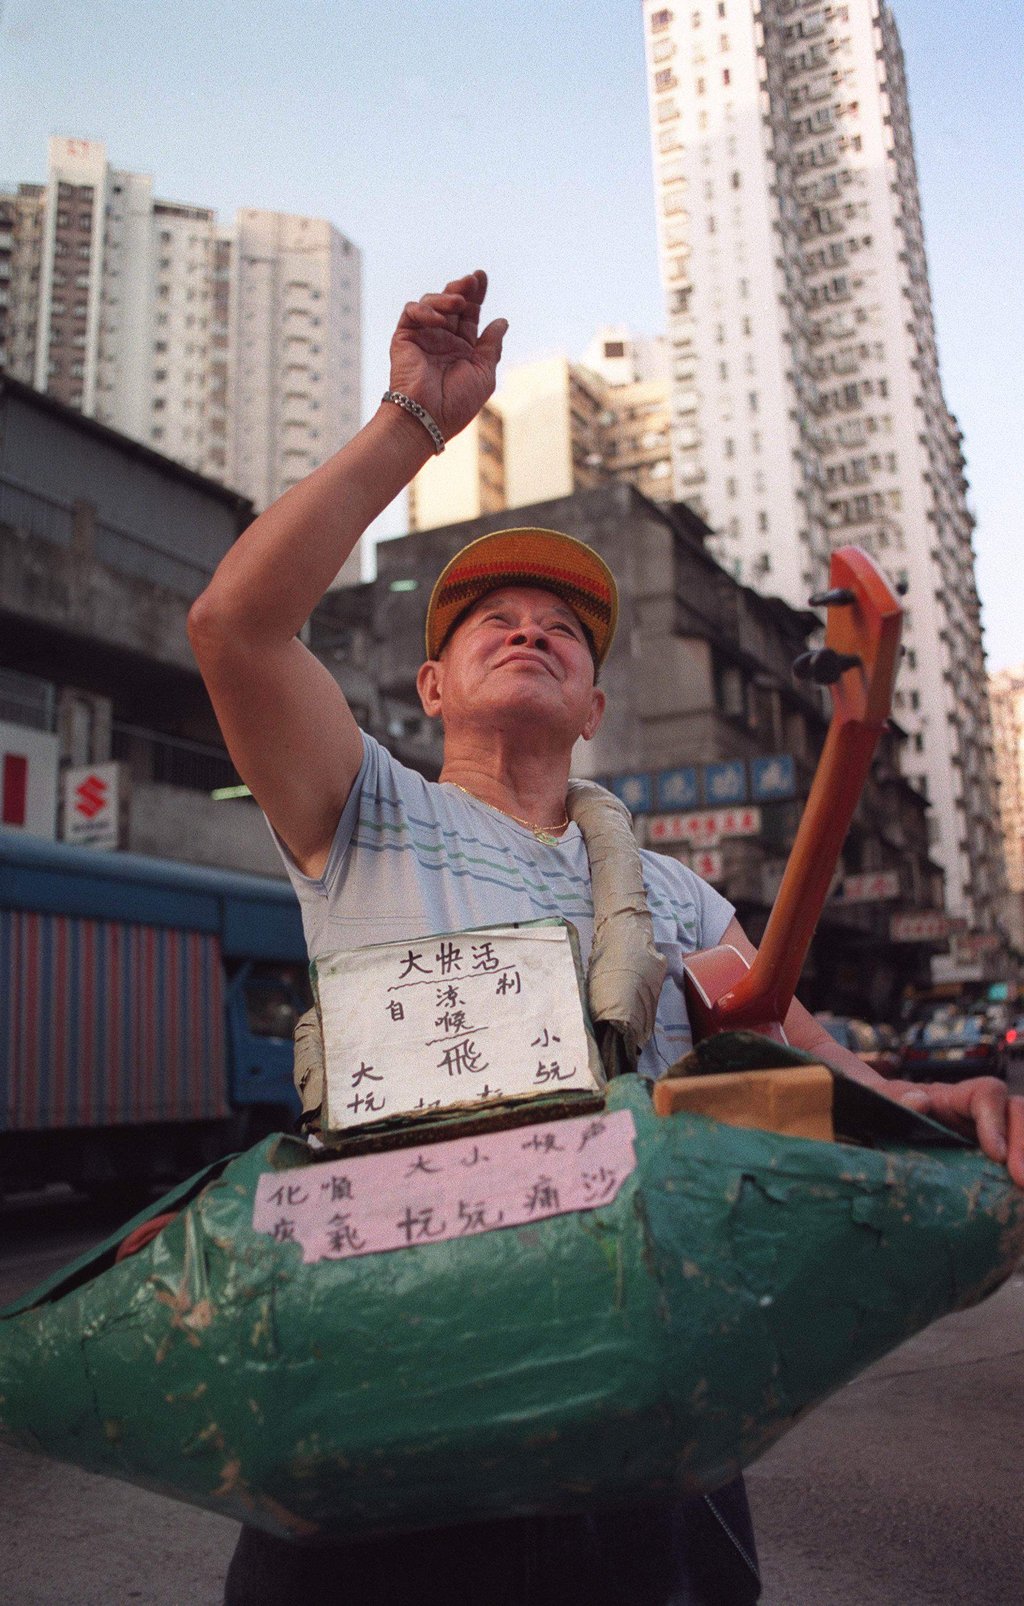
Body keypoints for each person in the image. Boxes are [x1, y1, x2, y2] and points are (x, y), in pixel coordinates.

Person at [188, 269, 1024, 1605]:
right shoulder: (361, 811)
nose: (531, 631)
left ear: (589, 708)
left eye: (564, 631)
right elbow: (234, 625)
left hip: (636, 1408)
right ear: (431, 686)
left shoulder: (679, 899)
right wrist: (416, 414)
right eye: (492, 625)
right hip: (392, 1375)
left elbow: (802, 1072)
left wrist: (935, 1102)